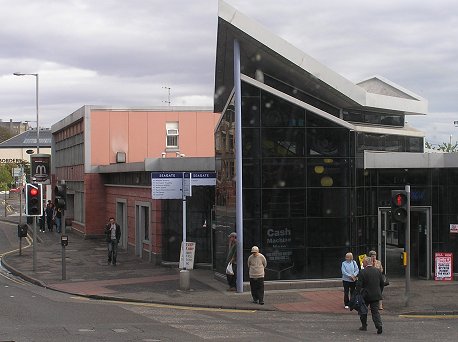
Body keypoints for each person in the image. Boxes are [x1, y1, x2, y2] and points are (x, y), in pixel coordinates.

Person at [356, 256, 384, 334]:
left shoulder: (362, 272)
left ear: (365, 263)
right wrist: (379, 292)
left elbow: (359, 285)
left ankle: (364, 326)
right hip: (376, 295)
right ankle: (379, 325)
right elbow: (382, 283)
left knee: (363, 311)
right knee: (375, 311)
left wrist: (358, 293)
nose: (362, 263)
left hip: (365, 295)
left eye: (363, 262)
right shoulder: (378, 271)